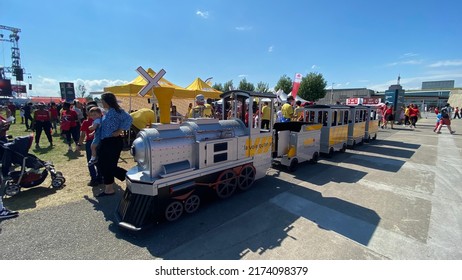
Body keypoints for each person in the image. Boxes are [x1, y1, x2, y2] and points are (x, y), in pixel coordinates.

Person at [95, 92, 132, 197]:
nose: (102, 103)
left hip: (113, 141)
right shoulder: (107, 112)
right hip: (106, 141)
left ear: (107, 101)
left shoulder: (117, 111)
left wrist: (120, 130)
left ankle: (123, 179)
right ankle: (111, 187)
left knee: (107, 165)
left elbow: (129, 119)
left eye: (103, 101)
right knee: (103, 164)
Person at [78, 105, 103, 186]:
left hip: (90, 142)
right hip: (101, 142)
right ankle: (100, 177)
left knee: (91, 161)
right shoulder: (102, 119)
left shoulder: (86, 122)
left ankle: (94, 179)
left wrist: (79, 144)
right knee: (99, 160)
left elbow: (82, 135)